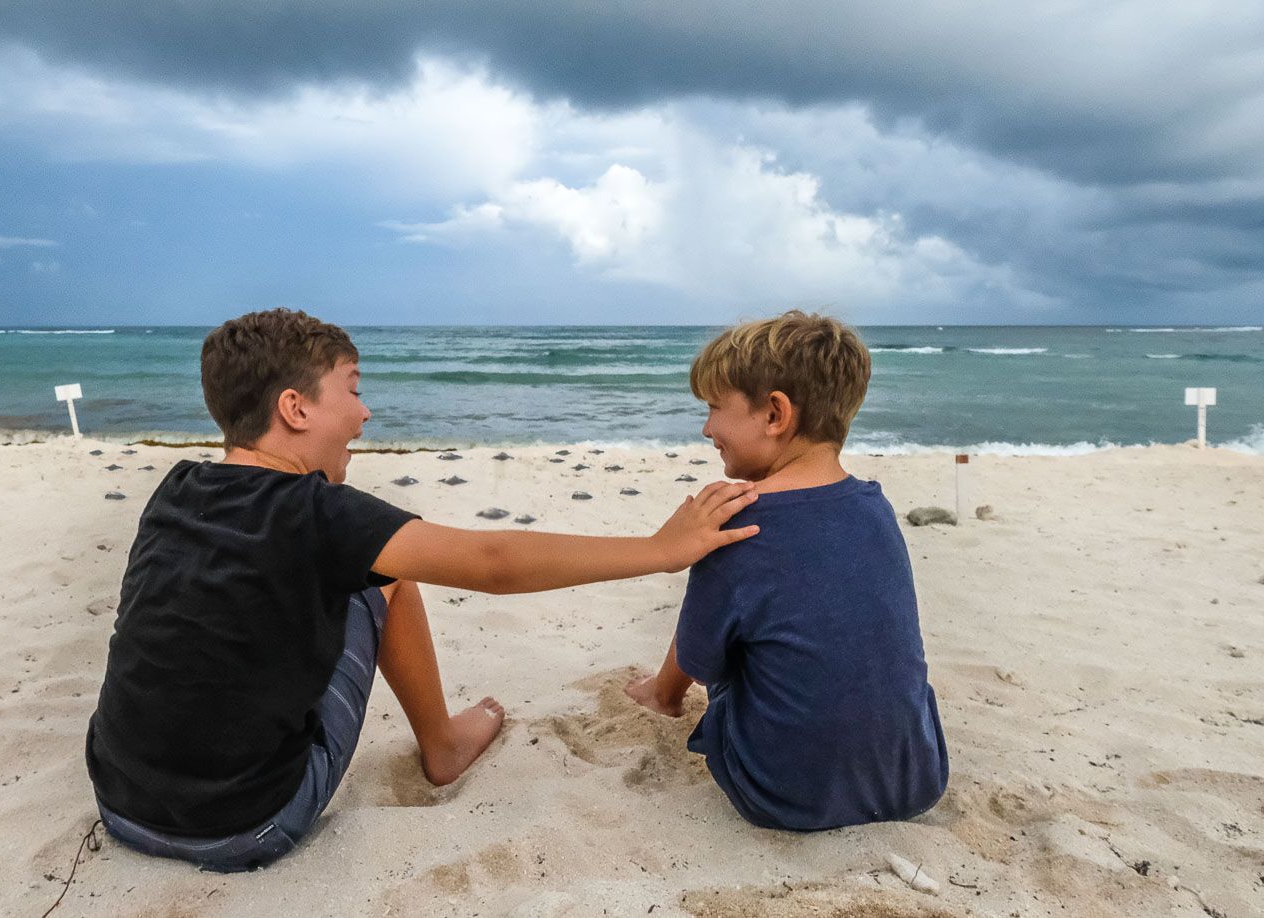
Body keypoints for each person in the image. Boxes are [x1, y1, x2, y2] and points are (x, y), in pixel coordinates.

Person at [86, 308, 760, 871]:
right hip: (249, 825)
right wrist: (661, 551)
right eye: (352, 390)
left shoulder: (176, 489)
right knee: (387, 575)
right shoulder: (319, 512)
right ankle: (443, 746)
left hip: (118, 804)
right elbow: (493, 563)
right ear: (295, 407)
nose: (365, 413)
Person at [624, 310, 949, 830]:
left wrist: (666, 694)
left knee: (727, 638)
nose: (707, 429)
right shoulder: (876, 507)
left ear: (775, 414)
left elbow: (700, 662)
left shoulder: (737, 525)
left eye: (714, 408)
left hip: (783, 797)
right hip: (916, 779)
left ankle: (658, 696)